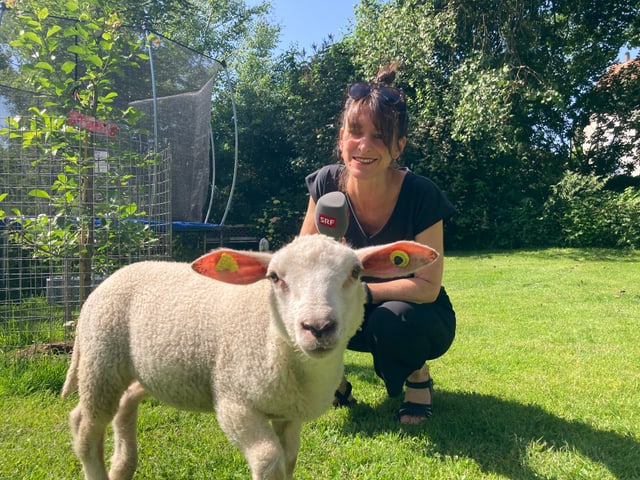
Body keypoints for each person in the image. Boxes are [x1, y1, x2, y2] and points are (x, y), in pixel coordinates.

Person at [299, 63, 456, 425]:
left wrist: (363, 293)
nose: (364, 146)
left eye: (380, 136)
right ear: (341, 138)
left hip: (416, 313)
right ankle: (334, 380)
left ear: (399, 146)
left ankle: (417, 373)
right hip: (349, 307)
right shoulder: (324, 184)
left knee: (393, 321)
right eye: (356, 132)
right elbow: (302, 257)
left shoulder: (421, 195)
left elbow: (428, 287)